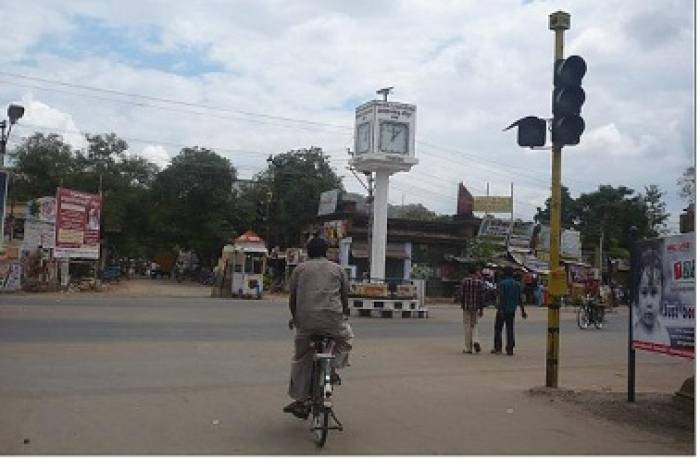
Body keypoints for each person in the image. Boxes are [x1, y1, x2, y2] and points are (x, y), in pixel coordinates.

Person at [283, 237, 353, 418]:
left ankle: (300, 401)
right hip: (333, 322)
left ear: (308, 251)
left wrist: (296, 318)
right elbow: (345, 297)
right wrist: (344, 314)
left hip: (305, 323)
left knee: (301, 358)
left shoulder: (300, 269)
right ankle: (333, 368)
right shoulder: (338, 270)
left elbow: (293, 300)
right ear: (326, 252)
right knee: (346, 340)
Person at [634, 247, 670, 345]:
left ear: (661, 295)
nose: (649, 303)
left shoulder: (664, 336)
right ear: (637, 295)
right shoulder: (635, 332)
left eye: (654, 292)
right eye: (644, 293)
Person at [492, 267, 527, 356]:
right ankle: (510, 348)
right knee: (510, 329)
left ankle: (498, 348)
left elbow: (501, 297)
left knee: (498, 329)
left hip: (503, 309)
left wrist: (500, 309)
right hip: (512, 310)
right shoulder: (517, 285)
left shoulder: (502, 283)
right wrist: (522, 311)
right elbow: (520, 299)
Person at [460, 265, 485, 354]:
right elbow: (481, 297)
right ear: (475, 273)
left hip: (466, 307)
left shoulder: (464, 282)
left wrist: (462, 305)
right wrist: (481, 309)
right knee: (474, 325)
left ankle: (468, 348)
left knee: (467, 326)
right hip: (475, 307)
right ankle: (476, 340)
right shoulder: (479, 283)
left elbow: (462, 295)